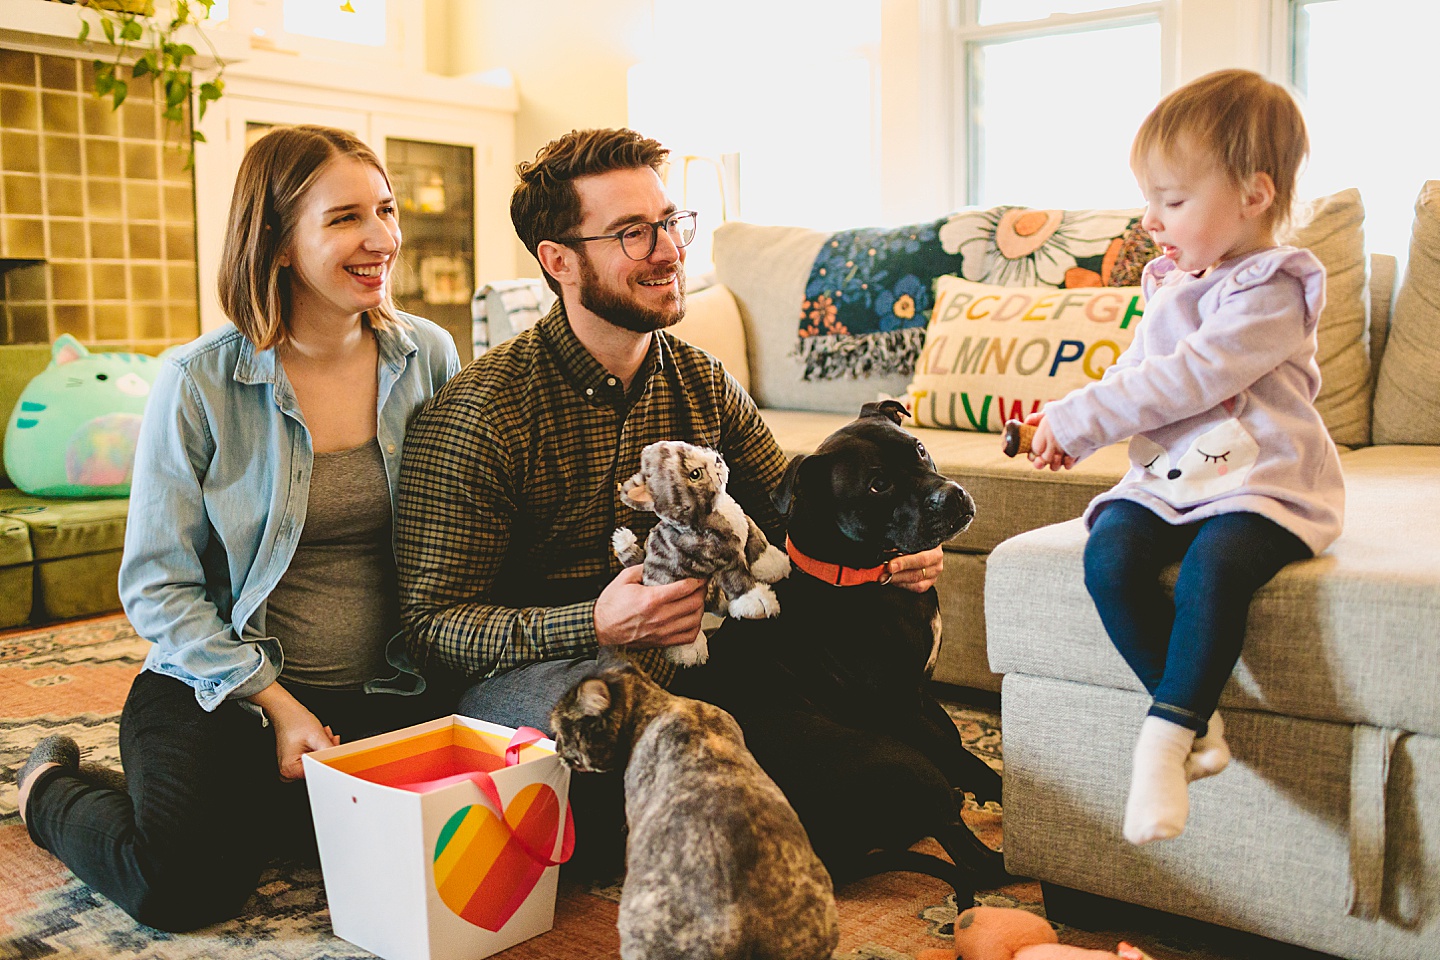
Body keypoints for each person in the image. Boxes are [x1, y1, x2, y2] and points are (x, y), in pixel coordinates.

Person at [393, 127, 943, 869]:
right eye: (631, 233)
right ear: (559, 260)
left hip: (699, 660)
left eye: (668, 223)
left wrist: (890, 546)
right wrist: (593, 620)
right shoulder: (482, 416)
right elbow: (431, 628)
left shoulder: (699, 379)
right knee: (649, 733)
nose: (668, 249)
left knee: (876, 769)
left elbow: (787, 518)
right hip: (549, 683)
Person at [15, 125, 461, 931]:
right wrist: (282, 707)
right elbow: (156, 586)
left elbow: (464, 528)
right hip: (221, 688)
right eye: (344, 218)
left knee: (404, 854)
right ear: (278, 241)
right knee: (181, 889)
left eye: (386, 211)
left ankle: (214, 801)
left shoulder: (426, 355)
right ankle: (50, 793)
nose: (381, 239)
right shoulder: (198, 380)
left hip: (387, 689)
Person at [1023, 70, 1343, 845]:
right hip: (1175, 476)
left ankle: (1165, 739)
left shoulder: (1272, 288)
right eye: (1150, 198)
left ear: (1254, 196)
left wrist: (1082, 417)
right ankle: (1201, 729)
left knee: (1214, 569)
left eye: (1173, 201)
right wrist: (1068, 425)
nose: (1150, 217)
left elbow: (1193, 376)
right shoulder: (1170, 282)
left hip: (1261, 479)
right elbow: (1137, 376)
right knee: (1111, 556)